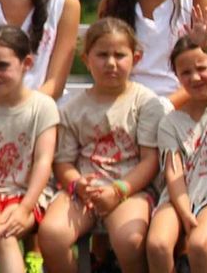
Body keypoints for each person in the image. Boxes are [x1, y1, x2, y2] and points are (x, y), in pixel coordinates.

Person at [38, 18, 164, 273]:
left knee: (129, 241)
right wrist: (77, 184)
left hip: (130, 188)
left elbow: (150, 160)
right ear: (86, 59)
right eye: (102, 55)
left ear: (136, 58)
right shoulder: (72, 108)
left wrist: (119, 190)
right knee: (51, 236)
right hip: (84, 190)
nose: (111, 63)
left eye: (120, 55)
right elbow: (63, 161)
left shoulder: (145, 103)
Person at [145, 7, 207, 273]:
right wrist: (183, 210)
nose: (195, 77)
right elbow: (174, 172)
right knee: (157, 244)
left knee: (201, 244)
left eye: (202, 68)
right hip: (180, 196)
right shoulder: (171, 121)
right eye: (185, 72)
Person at [0, 25, 60, 273]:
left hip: (28, 193)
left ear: (26, 63)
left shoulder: (43, 107)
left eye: (2, 66)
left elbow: (43, 163)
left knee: (3, 232)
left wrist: (26, 206)